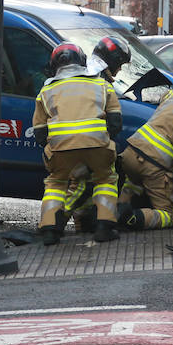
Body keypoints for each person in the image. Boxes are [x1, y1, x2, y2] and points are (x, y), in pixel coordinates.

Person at [31, 43, 122, 246]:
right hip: (97, 145)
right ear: (82, 61)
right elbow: (116, 121)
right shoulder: (101, 84)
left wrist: (51, 148)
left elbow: (39, 132)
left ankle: (50, 231)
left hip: (61, 149)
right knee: (105, 179)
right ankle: (104, 228)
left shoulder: (47, 90)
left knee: (56, 183)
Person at [60, 36, 134, 237]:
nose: (119, 71)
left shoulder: (87, 70)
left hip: (69, 140)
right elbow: (108, 118)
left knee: (85, 186)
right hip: (87, 142)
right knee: (82, 185)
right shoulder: (96, 76)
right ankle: (53, 224)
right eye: (119, 65)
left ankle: (82, 226)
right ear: (112, 60)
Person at [118, 87, 173, 230]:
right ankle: (132, 219)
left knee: (133, 186)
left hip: (131, 151)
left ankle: (110, 217)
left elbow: (162, 99)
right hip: (154, 163)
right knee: (170, 216)